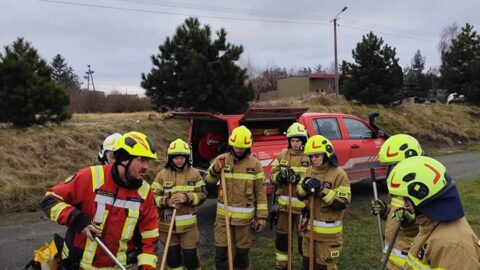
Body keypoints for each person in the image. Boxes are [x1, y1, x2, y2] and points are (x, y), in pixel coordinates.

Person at [41, 131, 159, 269]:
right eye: (141, 159)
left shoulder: (145, 193)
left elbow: (149, 238)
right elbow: (50, 199)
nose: (146, 167)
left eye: (148, 161)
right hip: (78, 265)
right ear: (124, 159)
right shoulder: (90, 177)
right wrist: (76, 219)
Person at [387, 156, 480, 269]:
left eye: (406, 200)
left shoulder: (452, 246)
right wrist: (408, 224)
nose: (405, 205)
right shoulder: (432, 222)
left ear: (422, 194)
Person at [204, 125, 268, 270]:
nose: (238, 150)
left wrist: (261, 217)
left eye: (241, 147)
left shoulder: (255, 165)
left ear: (248, 147)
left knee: (241, 257)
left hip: (244, 222)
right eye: (235, 147)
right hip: (222, 219)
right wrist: (214, 171)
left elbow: (260, 192)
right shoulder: (221, 160)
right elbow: (208, 182)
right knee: (221, 255)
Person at [296, 135, 351, 270]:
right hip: (308, 233)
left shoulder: (339, 174)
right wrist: (305, 187)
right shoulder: (308, 171)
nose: (313, 159)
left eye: (316, 156)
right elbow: (299, 195)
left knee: (323, 268)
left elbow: (342, 203)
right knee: (306, 265)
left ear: (326, 154)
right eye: (310, 156)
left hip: (328, 237)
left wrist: (321, 190)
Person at [152, 138, 206, 270]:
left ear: (187, 158)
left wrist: (186, 197)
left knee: (190, 258)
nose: (179, 161)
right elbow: (152, 197)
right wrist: (166, 201)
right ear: (170, 158)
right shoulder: (162, 175)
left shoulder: (195, 174)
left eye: (182, 158)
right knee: (173, 258)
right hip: (167, 226)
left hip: (188, 227)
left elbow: (203, 195)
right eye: (176, 158)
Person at [371, 134, 423, 270]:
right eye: (390, 167)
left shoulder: (421, 190)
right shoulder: (402, 189)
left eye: (395, 166)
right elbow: (397, 214)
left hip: (406, 264)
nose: (392, 171)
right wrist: (385, 211)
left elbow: (429, 226)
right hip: (390, 260)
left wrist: (410, 222)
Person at [269, 122, 310, 269]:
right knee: (282, 238)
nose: (295, 143)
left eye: (298, 140)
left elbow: (314, 178)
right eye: (292, 140)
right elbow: (271, 176)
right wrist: (280, 176)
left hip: (303, 209)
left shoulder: (310, 156)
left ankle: (306, 264)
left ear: (303, 141)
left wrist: (298, 179)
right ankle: (282, 264)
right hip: (284, 208)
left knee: (303, 239)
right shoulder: (282, 155)